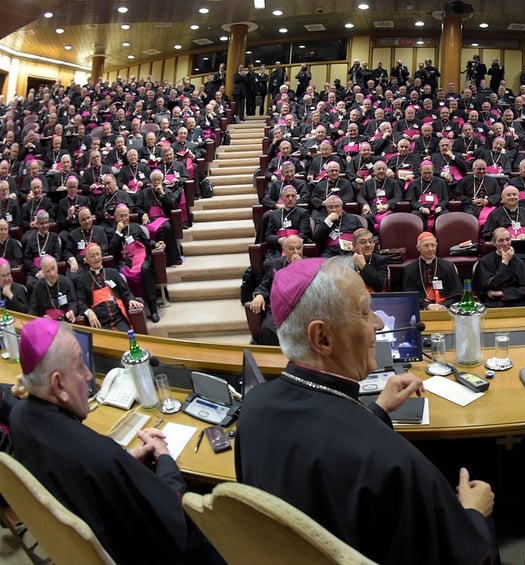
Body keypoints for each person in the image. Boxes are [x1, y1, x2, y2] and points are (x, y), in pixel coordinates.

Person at [236, 257, 498, 565]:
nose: (378, 323)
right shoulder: (397, 463)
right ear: (322, 337)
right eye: (363, 312)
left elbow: (321, 454)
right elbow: (465, 557)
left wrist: (378, 411)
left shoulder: (254, 406)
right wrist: (474, 514)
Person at [10, 318, 223, 564]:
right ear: (58, 384)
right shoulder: (101, 456)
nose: (89, 375)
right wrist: (164, 456)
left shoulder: (19, 418)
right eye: (80, 366)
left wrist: (126, 460)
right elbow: (171, 514)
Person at [248, 235, 305, 346]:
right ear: (284, 250)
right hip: (280, 308)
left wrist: (300, 267)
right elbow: (264, 285)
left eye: (299, 248)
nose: (296, 252)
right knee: (267, 329)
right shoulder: (275, 264)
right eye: (291, 249)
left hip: (303, 308)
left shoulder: (310, 264)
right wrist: (259, 295)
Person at [74, 242, 144, 332]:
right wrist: (89, 312)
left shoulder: (113, 273)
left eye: (98, 254)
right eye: (92, 256)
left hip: (119, 319)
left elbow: (125, 292)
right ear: (86, 260)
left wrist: (131, 299)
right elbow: (80, 303)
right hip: (100, 323)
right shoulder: (83, 280)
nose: (96, 258)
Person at [399, 232, 460, 310]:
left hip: (444, 309)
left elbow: (456, 294)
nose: (430, 249)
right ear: (418, 248)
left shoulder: (448, 266)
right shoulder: (409, 269)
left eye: (433, 245)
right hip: (420, 309)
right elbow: (408, 296)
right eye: (426, 246)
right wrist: (427, 306)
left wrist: (444, 306)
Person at [472, 227, 525, 307]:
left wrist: (501, 293)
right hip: (492, 304)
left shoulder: (519, 262)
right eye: (501, 240)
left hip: (516, 303)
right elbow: (488, 286)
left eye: (507, 239)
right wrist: (504, 263)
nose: (505, 243)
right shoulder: (485, 262)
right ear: (494, 243)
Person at [351, 228, 389, 293]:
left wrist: (363, 266)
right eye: (363, 242)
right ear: (354, 245)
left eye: (370, 241)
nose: (368, 245)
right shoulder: (347, 261)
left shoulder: (381, 260)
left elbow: (381, 285)